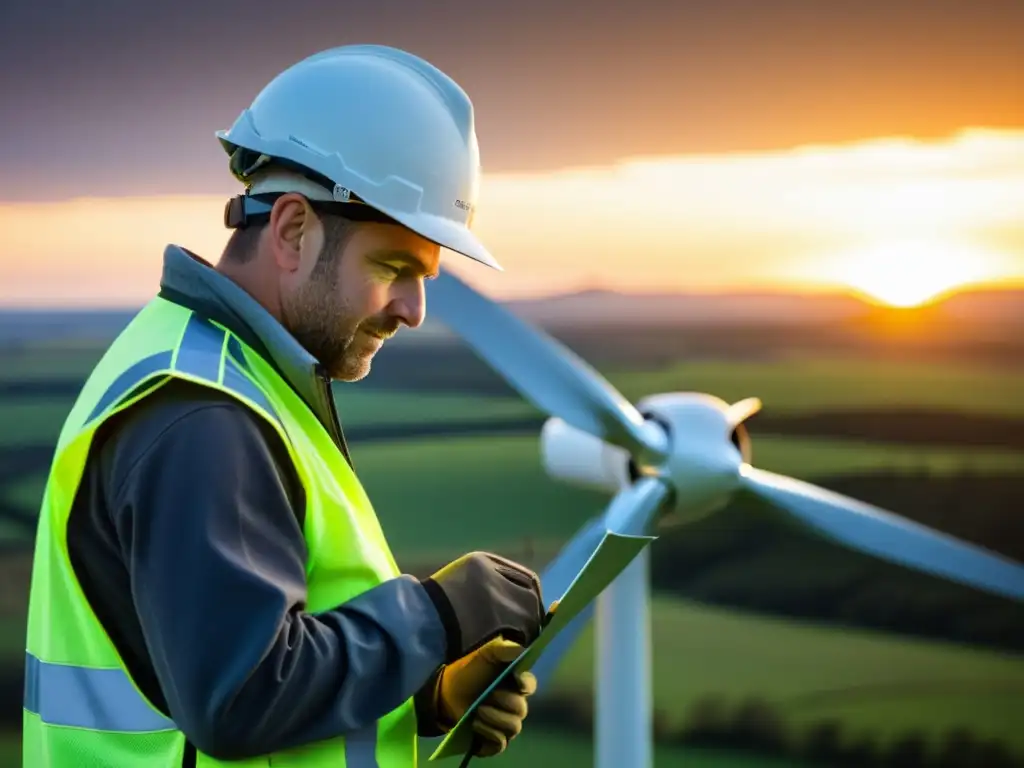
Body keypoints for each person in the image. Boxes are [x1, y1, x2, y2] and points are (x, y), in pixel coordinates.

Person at [22, 44, 549, 767]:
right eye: (392, 267)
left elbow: (257, 650)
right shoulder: (203, 417)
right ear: (294, 229)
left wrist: (429, 694)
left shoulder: (225, 374)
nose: (415, 309)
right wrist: (436, 616)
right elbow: (240, 697)